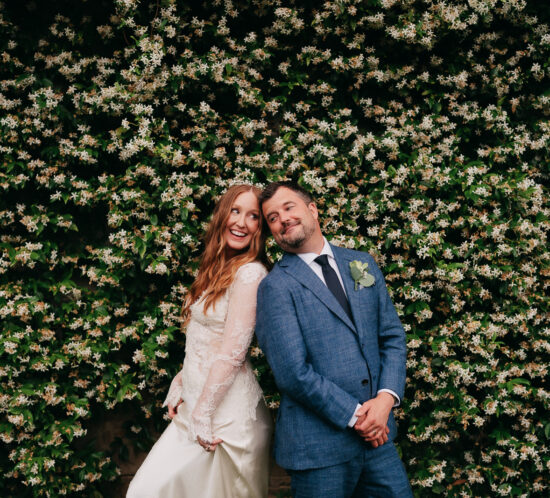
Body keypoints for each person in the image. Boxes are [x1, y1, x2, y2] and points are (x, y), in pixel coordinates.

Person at [255, 181, 412, 497]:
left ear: (312, 209)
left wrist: (385, 401)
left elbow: (392, 337)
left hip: (379, 438)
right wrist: (358, 417)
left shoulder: (361, 263)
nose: (282, 219)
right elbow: (292, 374)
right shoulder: (276, 287)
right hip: (319, 448)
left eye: (289, 208)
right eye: (272, 218)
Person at [127, 184, 272, 498]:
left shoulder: (250, 273)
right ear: (222, 216)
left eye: (253, 216)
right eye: (235, 211)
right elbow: (206, 340)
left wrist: (203, 415)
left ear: (260, 228)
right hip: (197, 408)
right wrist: (182, 380)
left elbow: (233, 351)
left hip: (227, 421)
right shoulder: (215, 269)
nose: (242, 222)